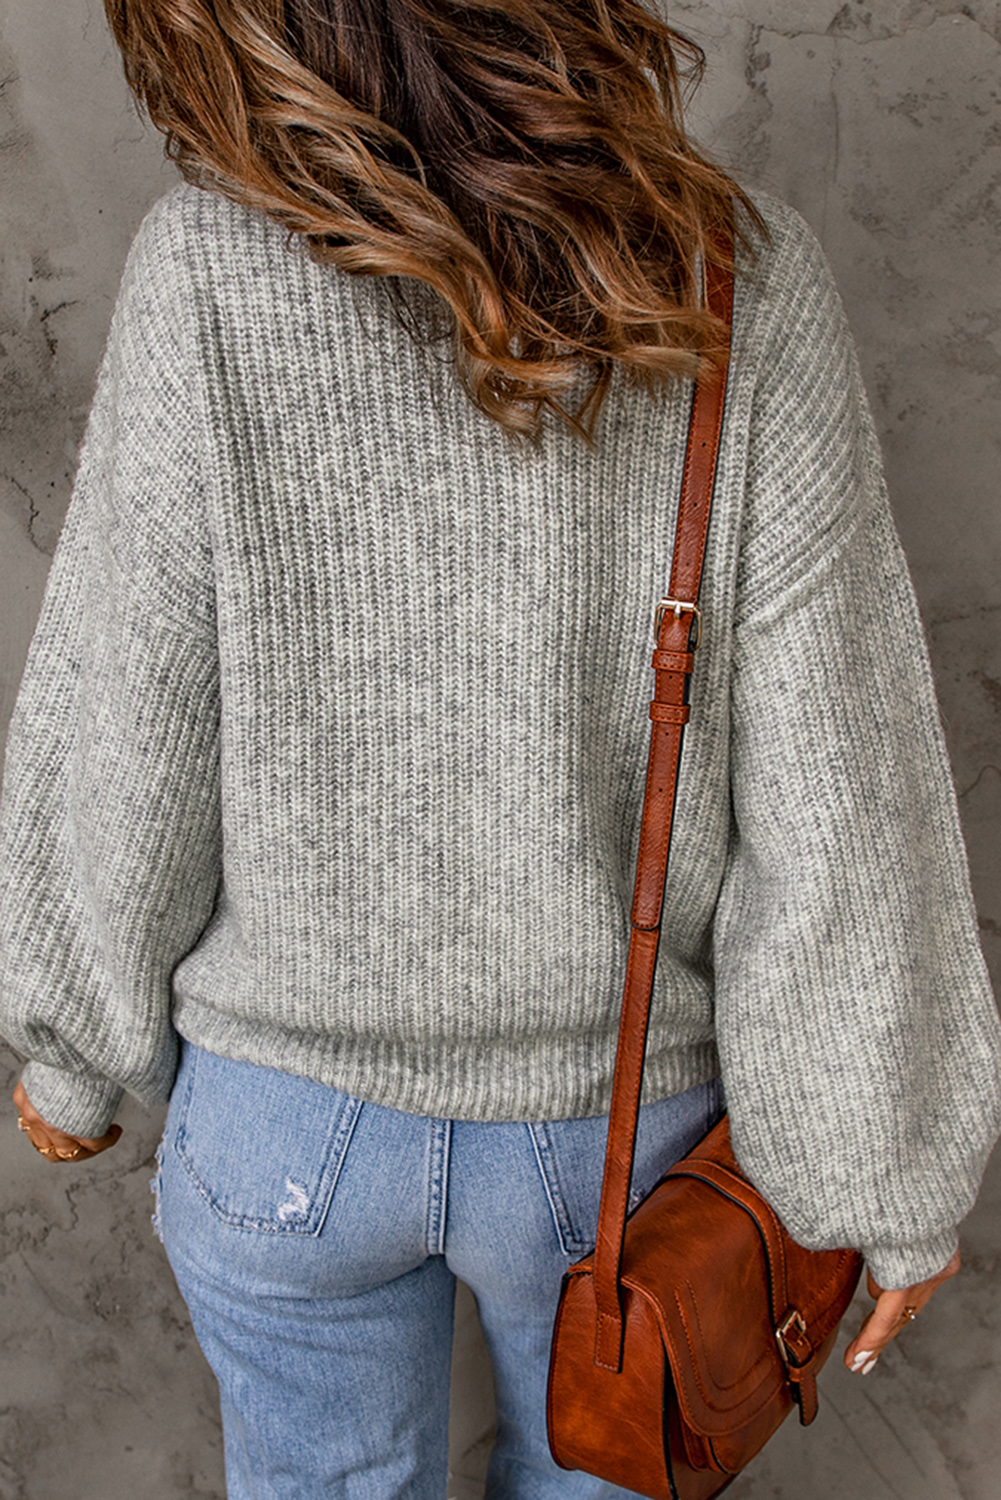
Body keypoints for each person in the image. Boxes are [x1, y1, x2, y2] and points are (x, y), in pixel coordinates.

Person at [2, 0, 999, 1494]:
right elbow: (839, 776)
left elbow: (129, 704)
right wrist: (889, 1163)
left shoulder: (204, 264)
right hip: (616, 1149)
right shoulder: (733, 268)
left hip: (284, 1126)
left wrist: (72, 1046)